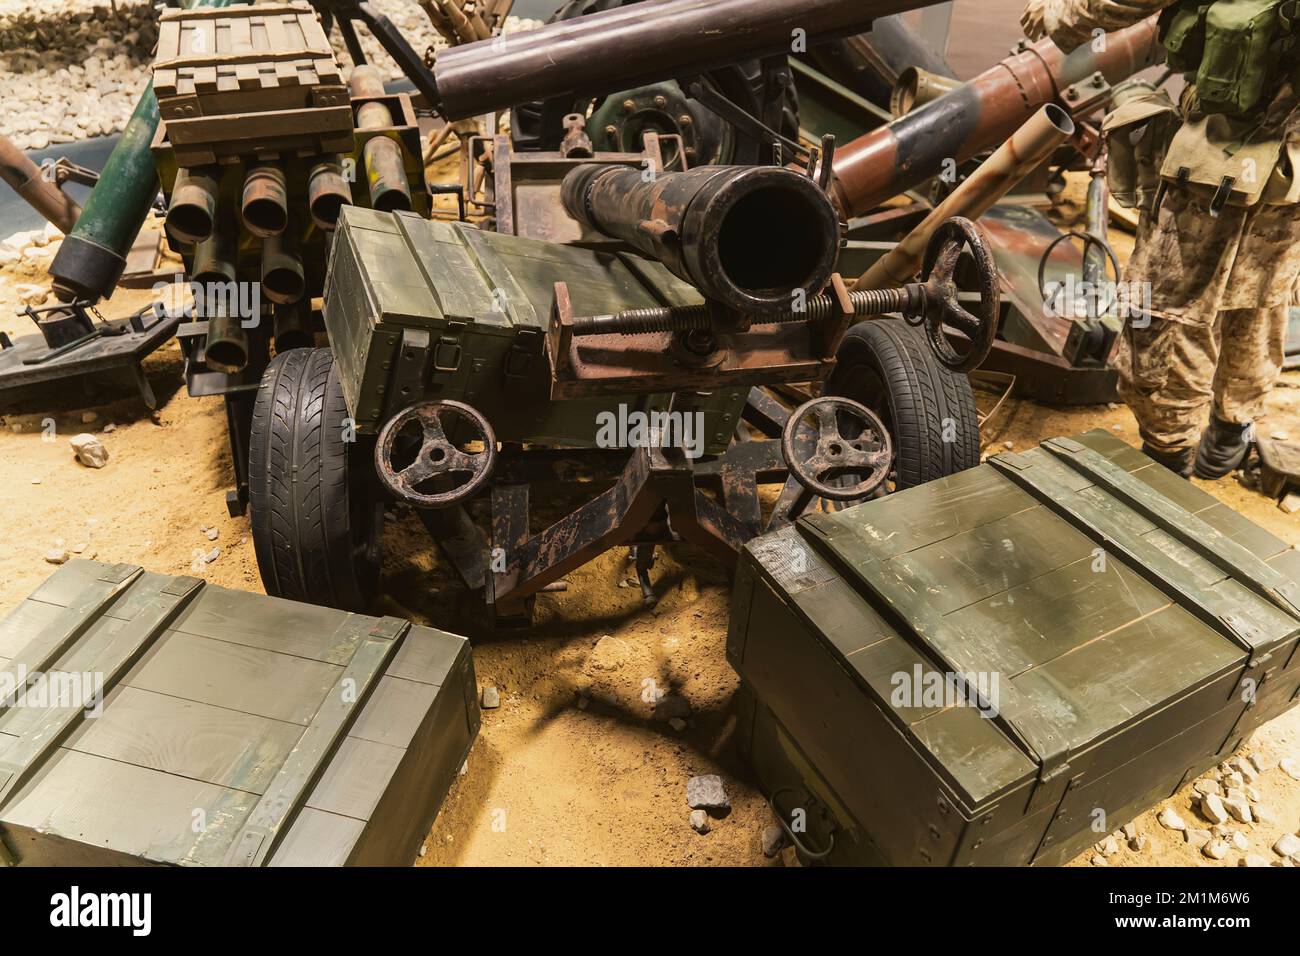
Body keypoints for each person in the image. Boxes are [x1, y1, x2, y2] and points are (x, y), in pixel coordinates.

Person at [1023, 0, 1300, 478]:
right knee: (1258, 294)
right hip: (1289, 172)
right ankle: (1228, 435)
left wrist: (1053, 16)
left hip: (1222, 158)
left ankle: (1167, 464)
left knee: (1162, 309)